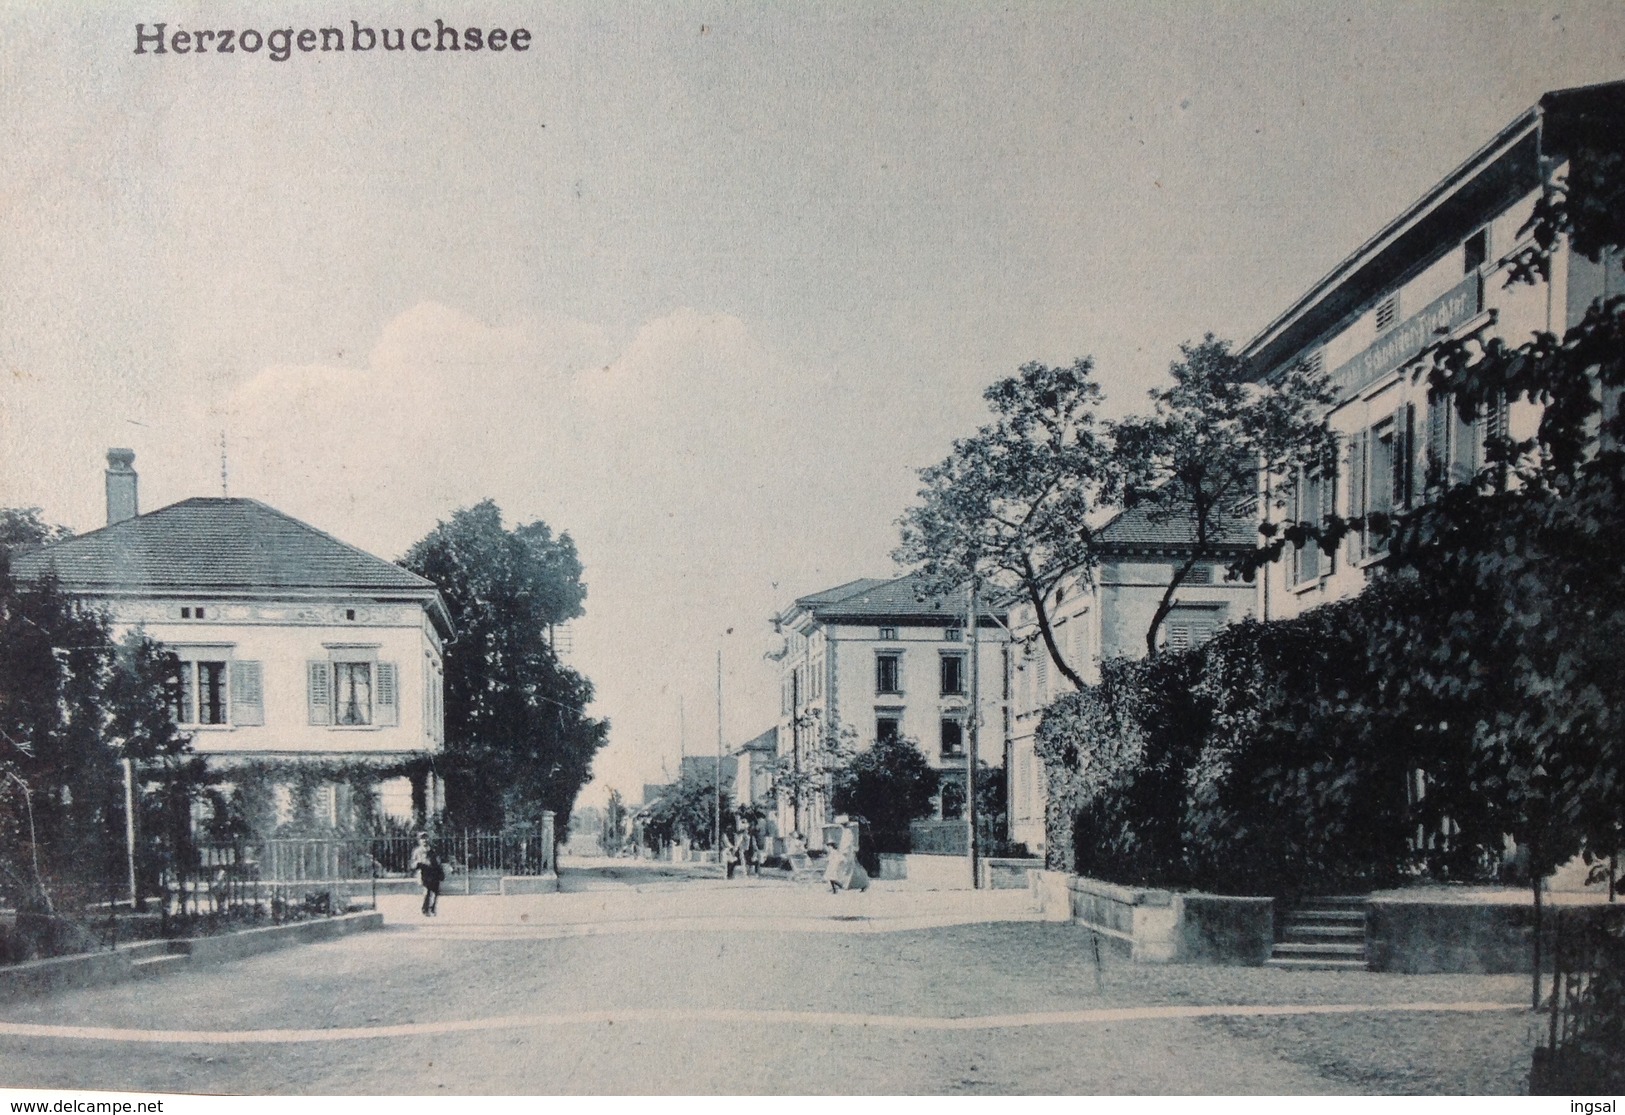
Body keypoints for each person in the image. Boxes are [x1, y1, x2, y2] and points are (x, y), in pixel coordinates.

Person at [410, 833, 443, 917]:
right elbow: (412, 864)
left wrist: (441, 872)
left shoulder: (433, 850)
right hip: (424, 874)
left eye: (426, 838)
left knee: (436, 892)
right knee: (427, 892)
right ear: (419, 841)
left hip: (434, 873)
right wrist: (417, 864)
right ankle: (425, 909)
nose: (424, 840)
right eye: (422, 838)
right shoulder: (417, 851)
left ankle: (432, 908)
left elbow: (438, 861)